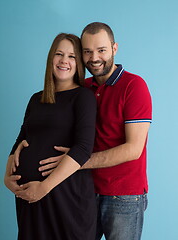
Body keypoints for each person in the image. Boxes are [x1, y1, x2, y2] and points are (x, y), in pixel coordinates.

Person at [9, 22, 152, 240]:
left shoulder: (134, 86)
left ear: (114, 48)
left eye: (101, 50)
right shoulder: (84, 87)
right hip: (85, 190)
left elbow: (133, 149)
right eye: (87, 51)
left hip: (123, 195)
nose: (94, 57)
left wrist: (74, 161)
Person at [4, 33, 97, 240]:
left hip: (66, 199)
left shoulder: (83, 97)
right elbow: (21, 138)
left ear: (79, 63)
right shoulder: (36, 99)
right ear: (50, 59)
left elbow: (83, 149)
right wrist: (6, 177)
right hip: (30, 199)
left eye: (72, 56)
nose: (64, 60)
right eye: (59, 54)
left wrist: (43, 187)